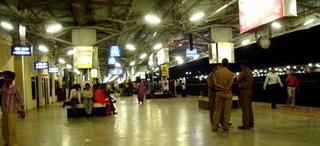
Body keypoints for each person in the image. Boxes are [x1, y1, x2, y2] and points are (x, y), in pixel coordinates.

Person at [1, 71, 26, 146]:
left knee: (12, 129)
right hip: (4, 111)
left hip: (12, 112)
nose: (4, 79)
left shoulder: (15, 88)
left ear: (11, 79)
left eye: (6, 77)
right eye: (4, 77)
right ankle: (7, 142)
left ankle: (13, 144)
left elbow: (20, 100)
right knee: (4, 129)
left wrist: (22, 111)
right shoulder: (3, 87)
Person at [211, 58, 234, 132]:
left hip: (219, 93)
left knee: (217, 110)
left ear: (221, 64)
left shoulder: (216, 73)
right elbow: (230, 84)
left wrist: (222, 89)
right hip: (228, 93)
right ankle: (226, 126)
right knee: (227, 111)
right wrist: (226, 90)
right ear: (227, 64)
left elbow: (215, 83)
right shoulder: (231, 73)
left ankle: (214, 127)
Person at [237, 60, 254, 129]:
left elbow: (238, 79)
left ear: (243, 65)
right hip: (250, 90)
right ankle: (251, 122)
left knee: (245, 107)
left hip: (244, 91)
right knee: (249, 107)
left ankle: (245, 124)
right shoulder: (250, 71)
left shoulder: (244, 71)